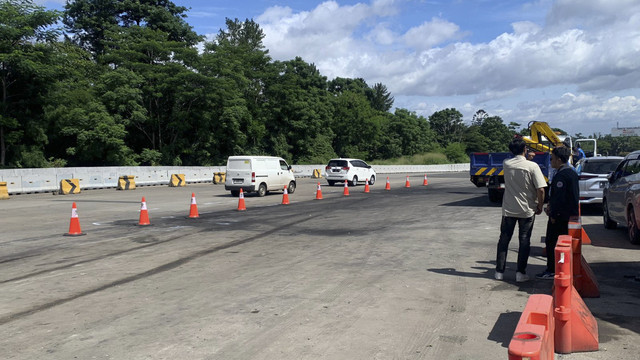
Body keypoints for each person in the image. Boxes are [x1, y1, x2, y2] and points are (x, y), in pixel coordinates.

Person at [495, 138, 547, 282]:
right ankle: (520, 273)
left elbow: (517, 162)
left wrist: (525, 157)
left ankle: (499, 272)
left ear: (511, 151)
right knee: (524, 241)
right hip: (527, 209)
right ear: (525, 149)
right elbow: (541, 189)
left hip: (508, 209)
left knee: (504, 240)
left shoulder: (506, 164)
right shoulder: (533, 166)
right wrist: (540, 205)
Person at [536, 146, 579, 279]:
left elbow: (560, 198)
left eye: (552, 159)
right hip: (566, 215)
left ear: (559, 160)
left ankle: (552, 270)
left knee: (553, 243)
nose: (551, 161)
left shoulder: (562, 175)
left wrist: (554, 215)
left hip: (560, 217)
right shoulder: (571, 172)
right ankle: (559, 268)